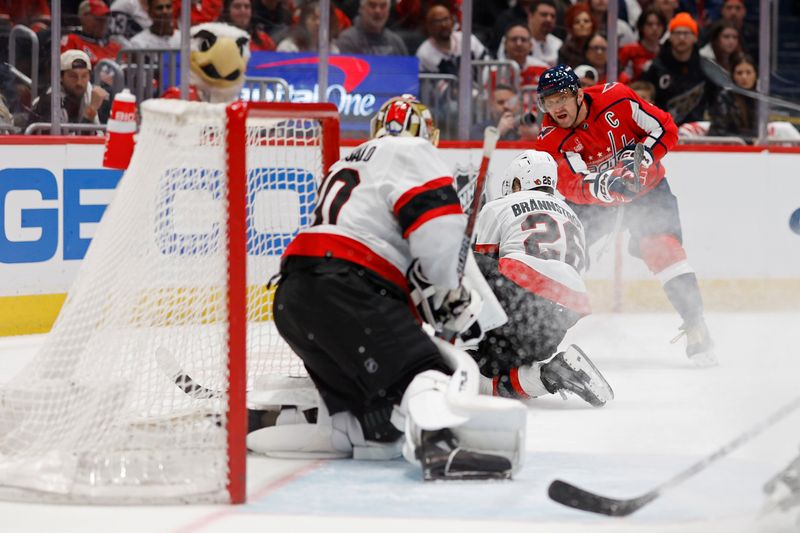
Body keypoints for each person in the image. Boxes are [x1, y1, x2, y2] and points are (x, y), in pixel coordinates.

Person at [249, 94, 527, 481]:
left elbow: (384, 249)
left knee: (378, 429)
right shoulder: (410, 150)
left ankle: (283, 428)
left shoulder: (350, 160)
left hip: (295, 296)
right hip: (347, 289)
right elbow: (437, 228)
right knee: (429, 372)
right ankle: (439, 448)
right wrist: (449, 291)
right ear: (426, 131)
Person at [533, 64, 717, 367]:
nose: (556, 108)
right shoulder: (550, 138)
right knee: (561, 255)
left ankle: (696, 323)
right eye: (548, 101)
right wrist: (607, 186)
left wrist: (641, 159)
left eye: (562, 97)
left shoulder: (616, 98)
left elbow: (665, 128)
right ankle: (535, 330)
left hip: (648, 191)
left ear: (579, 93)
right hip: (593, 204)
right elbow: (573, 183)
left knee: (664, 249)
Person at [471, 150, 614, 407]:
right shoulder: (573, 216)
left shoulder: (498, 206)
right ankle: (551, 374)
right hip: (558, 320)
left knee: (460, 259)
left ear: (517, 182)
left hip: (519, 300)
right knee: (487, 375)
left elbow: (478, 267)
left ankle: (460, 347)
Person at [642, 12, 714, 125]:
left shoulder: (705, 68)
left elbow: (714, 101)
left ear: (695, 37)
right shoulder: (657, 68)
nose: (681, 38)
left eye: (686, 33)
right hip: (662, 130)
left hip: (696, 134)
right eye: (677, 33)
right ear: (670, 37)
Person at [28, 49, 110, 129]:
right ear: (60, 77)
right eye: (73, 76)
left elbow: (100, 135)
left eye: (84, 76)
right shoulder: (50, 101)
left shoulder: (92, 94)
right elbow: (65, 141)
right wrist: (90, 111)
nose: (79, 82)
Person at [415, 4, 487, 75]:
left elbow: (488, 64)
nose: (443, 25)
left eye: (446, 19)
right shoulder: (423, 53)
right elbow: (423, 84)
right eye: (438, 21)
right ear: (429, 26)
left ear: (452, 21)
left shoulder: (467, 39)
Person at [707, 54, 757, 141]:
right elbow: (719, 132)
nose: (744, 77)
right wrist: (749, 140)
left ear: (756, 75)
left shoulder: (759, 100)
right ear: (733, 76)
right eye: (739, 73)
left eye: (748, 72)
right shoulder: (723, 98)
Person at [61, 0, 123, 67]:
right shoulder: (72, 41)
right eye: (98, 18)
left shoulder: (115, 46)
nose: (103, 22)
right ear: (83, 17)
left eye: (105, 18)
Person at [336, 0, 408, 56]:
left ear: (388, 11)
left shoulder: (396, 43)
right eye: (372, 5)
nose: (377, 11)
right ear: (361, 8)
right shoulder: (347, 41)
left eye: (383, 6)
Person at [618, 7, 666, 84]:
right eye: (649, 24)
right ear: (641, 27)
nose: (654, 28)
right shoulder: (628, 51)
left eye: (658, 24)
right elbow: (618, 76)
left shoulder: (666, 51)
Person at [556, 3, 596, 69]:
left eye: (586, 21)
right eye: (577, 22)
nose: (582, 24)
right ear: (571, 27)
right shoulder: (565, 51)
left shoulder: (600, 45)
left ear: (593, 25)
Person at [527, 0, 562, 67]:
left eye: (552, 16)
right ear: (530, 16)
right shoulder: (517, 40)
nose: (549, 19)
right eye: (544, 15)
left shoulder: (558, 45)